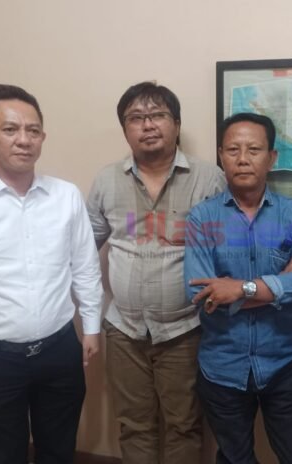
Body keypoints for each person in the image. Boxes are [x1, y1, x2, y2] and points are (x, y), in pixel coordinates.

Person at [0, 84, 103, 464]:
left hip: (59, 350)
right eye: (10, 129)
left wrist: (91, 326)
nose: (24, 140)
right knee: (6, 455)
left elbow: (84, 265)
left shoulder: (66, 196)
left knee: (59, 451)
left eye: (33, 130)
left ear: (43, 136)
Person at [87, 81, 225, 463]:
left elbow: (226, 249)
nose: (147, 125)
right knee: (134, 425)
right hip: (124, 330)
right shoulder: (106, 180)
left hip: (185, 329)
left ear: (176, 124)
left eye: (158, 115)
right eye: (136, 118)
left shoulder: (208, 179)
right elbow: (83, 248)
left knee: (184, 425)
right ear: (125, 129)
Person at [185, 112, 292, 464]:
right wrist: (279, 287)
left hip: (284, 363)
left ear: (271, 157)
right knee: (235, 459)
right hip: (223, 365)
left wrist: (241, 288)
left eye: (254, 150)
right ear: (221, 156)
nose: (243, 159)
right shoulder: (202, 217)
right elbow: (200, 297)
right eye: (233, 150)